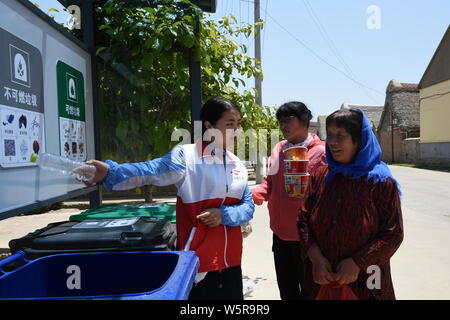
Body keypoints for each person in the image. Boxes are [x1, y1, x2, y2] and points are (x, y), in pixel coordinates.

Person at [84, 96, 255, 300]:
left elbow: (248, 208)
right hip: (199, 263)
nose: (236, 130)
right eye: (229, 124)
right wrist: (111, 172)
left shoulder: (237, 164)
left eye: (238, 124)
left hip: (232, 261)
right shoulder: (187, 156)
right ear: (209, 125)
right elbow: (150, 170)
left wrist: (223, 214)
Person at [297, 108, 404, 300]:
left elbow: (393, 233)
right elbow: (303, 220)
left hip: (369, 277)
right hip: (321, 276)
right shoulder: (321, 175)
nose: (333, 142)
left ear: (359, 140)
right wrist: (316, 258)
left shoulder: (380, 182)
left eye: (341, 136)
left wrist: (358, 262)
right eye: (330, 135)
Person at [251, 101, 327, 300]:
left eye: (287, 121)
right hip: (280, 234)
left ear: (304, 121)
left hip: (309, 238)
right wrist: (253, 196)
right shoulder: (278, 148)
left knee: (310, 293)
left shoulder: (322, 153)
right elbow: (270, 182)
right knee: (287, 291)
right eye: (280, 122)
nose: (283, 126)